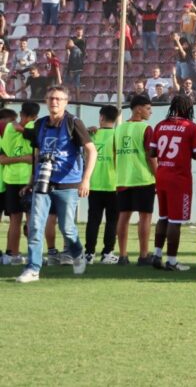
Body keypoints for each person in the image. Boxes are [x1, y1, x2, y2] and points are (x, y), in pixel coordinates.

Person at [15, 86, 97, 283]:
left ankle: (77, 254)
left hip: (68, 184)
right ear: (45, 100)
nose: (55, 102)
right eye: (51, 98)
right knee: (35, 225)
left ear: (66, 102)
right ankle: (33, 268)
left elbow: (91, 151)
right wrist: (30, 181)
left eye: (59, 99)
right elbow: (37, 154)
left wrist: (85, 180)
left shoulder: (73, 122)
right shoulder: (40, 124)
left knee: (67, 227)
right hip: (43, 183)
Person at [149, 94, 196, 271]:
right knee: (175, 220)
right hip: (179, 179)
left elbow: (152, 153)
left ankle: (157, 254)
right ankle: (172, 261)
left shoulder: (160, 125)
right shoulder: (192, 128)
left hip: (162, 175)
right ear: (188, 108)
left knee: (163, 217)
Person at [114, 94, 156, 265]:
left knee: (123, 216)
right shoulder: (146, 128)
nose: (150, 112)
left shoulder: (119, 128)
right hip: (143, 178)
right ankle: (143, 255)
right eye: (148, 109)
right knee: (145, 217)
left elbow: (115, 153)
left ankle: (122, 256)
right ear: (138, 109)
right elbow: (150, 157)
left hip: (123, 178)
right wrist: (158, 177)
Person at [1, 102, 39, 265]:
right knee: (31, 220)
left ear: (21, 113)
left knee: (14, 220)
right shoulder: (34, 128)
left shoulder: (9, 128)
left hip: (10, 179)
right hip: (27, 180)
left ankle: (12, 254)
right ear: (35, 116)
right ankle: (33, 256)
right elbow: (36, 155)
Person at [84, 105, 119, 264]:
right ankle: (107, 253)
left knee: (93, 220)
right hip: (114, 185)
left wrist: (86, 130)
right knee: (112, 221)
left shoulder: (92, 134)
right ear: (117, 118)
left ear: (101, 117)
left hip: (94, 184)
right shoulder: (117, 135)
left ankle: (89, 254)